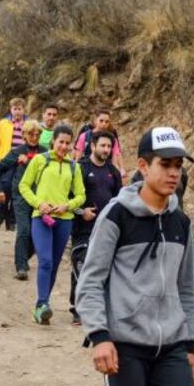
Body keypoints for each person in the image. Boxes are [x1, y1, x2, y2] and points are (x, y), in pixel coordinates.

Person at [76, 126, 194, 386]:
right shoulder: (117, 215)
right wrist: (99, 336)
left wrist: (189, 344)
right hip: (124, 345)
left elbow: (186, 289)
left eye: (178, 165)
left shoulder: (182, 223)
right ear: (144, 166)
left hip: (172, 345)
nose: (174, 172)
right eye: (166, 164)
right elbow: (90, 281)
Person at [18, 125, 86, 325]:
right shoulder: (40, 160)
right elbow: (24, 185)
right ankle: (41, 304)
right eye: (61, 142)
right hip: (41, 217)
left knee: (55, 264)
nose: (64, 146)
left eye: (67, 143)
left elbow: (81, 195)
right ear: (52, 142)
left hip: (64, 220)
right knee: (45, 261)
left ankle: (44, 305)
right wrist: (39, 203)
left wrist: (68, 205)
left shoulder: (74, 167)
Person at [69, 131, 122, 325]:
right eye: (103, 146)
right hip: (82, 227)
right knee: (81, 266)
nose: (106, 150)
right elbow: (69, 197)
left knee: (103, 268)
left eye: (109, 147)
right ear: (92, 146)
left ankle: (99, 308)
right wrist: (81, 212)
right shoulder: (79, 168)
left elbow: (119, 200)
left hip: (105, 230)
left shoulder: (113, 172)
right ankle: (77, 308)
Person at [0, 120, 46, 280]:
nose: (35, 137)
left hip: (40, 197)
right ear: (23, 135)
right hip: (21, 196)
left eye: (38, 134)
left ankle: (23, 257)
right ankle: (21, 267)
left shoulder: (45, 152)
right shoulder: (17, 152)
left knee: (37, 234)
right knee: (24, 230)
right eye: (31, 134)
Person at [0, 97, 28, 231]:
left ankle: (12, 220)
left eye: (19, 109)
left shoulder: (28, 124)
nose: (17, 111)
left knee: (17, 190)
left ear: (23, 109)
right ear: (11, 110)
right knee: (4, 188)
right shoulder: (3, 123)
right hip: (5, 159)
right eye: (15, 109)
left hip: (21, 161)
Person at [74, 109, 126, 179]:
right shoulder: (84, 136)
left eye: (107, 122)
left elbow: (115, 159)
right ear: (95, 120)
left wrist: (119, 172)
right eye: (101, 121)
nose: (104, 124)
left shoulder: (113, 139)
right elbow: (78, 158)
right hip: (87, 171)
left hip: (106, 171)